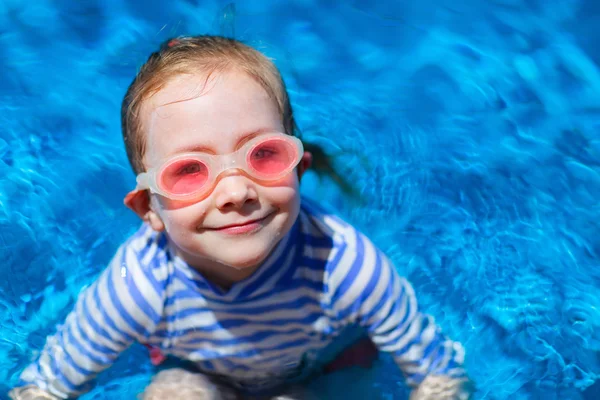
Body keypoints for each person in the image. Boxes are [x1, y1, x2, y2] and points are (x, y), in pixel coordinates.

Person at [9, 35, 471, 400]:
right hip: (198, 374)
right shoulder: (137, 288)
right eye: (189, 170)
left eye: (264, 154)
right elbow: (47, 386)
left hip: (325, 370)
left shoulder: (346, 267)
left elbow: (437, 375)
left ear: (299, 168)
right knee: (173, 393)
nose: (235, 191)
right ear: (149, 209)